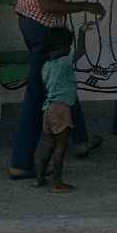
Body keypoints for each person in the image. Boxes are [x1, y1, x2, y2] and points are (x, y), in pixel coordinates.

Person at [9, 0, 106, 180]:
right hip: (46, 30)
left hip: (26, 21)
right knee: (38, 93)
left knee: (63, 80)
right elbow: (48, 3)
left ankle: (81, 141)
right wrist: (86, 6)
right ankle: (20, 162)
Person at [33, 28, 80, 193]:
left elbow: (46, 89)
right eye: (68, 46)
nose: (70, 49)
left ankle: (39, 179)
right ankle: (57, 183)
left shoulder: (46, 66)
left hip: (48, 109)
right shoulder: (65, 61)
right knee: (61, 147)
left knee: (48, 145)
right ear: (60, 47)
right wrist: (82, 33)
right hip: (61, 109)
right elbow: (80, 52)